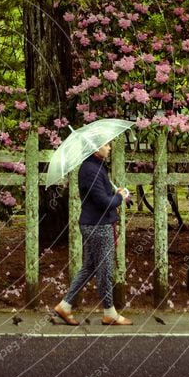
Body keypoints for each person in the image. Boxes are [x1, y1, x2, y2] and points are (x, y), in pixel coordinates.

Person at [54, 139, 133, 326]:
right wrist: (119, 197)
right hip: (99, 225)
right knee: (105, 270)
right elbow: (104, 203)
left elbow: (103, 196)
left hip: (95, 224)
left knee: (89, 267)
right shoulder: (91, 170)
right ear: (95, 147)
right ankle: (109, 312)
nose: (109, 147)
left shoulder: (95, 167)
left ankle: (65, 306)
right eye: (106, 144)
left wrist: (116, 193)